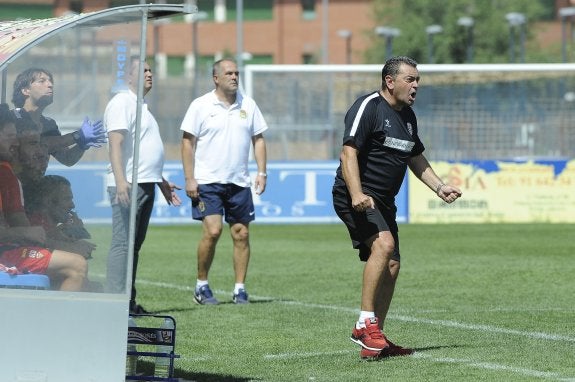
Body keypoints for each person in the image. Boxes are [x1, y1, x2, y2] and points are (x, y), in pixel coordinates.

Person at [331, 56, 462, 360]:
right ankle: (365, 324)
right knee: (384, 245)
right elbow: (347, 153)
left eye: (418, 80)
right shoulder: (369, 107)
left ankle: (373, 343)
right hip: (357, 195)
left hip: (384, 202)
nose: (416, 85)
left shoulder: (408, 116)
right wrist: (356, 193)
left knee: (392, 264)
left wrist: (439, 186)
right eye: (410, 79)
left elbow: (415, 157)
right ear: (390, 81)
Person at [180, 58, 268, 305]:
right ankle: (201, 285)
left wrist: (262, 172)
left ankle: (240, 289)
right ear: (216, 78)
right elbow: (187, 142)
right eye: (229, 73)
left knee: (241, 234)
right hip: (207, 181)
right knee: (213, 230)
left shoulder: (248, 105)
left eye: (237, 73)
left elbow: (258, 139)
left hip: (239, 181)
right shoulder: (200, 105)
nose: (234, 77)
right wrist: (189, 178)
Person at [104, 56, 181, 314]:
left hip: (145, 183)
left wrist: (161, 181)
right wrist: (120, 181)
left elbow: (144, 152)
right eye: (143, 70)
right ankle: (115, 304)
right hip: (128, 185)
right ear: (129, 77)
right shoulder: (121, 102)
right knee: (122, 244)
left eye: (151, 70)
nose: (150, 74)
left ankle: (128, 302)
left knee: (133, 246)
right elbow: (115, 144)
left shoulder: (141, 106)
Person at [0, 103, 88, 291]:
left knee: (91, 285)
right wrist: (64, 243)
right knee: (76, 266)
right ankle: (58, 320)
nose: (42, 153)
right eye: (33, 144)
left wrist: (63, 235)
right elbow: (26, 232)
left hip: (8, 249)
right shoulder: (6, 175)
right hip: (5, 253)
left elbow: (28, 230)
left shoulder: (11, 176)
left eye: (41, 145)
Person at [11, 67, 106, 166]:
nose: (50, 85)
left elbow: (67, 159)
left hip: (33, 180)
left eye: (50, 81)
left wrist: (82, 145)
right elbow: (38, 144)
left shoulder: (48, 124)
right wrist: (77, 135)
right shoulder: (12, 117)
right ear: (26, 90)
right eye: (42, 81)